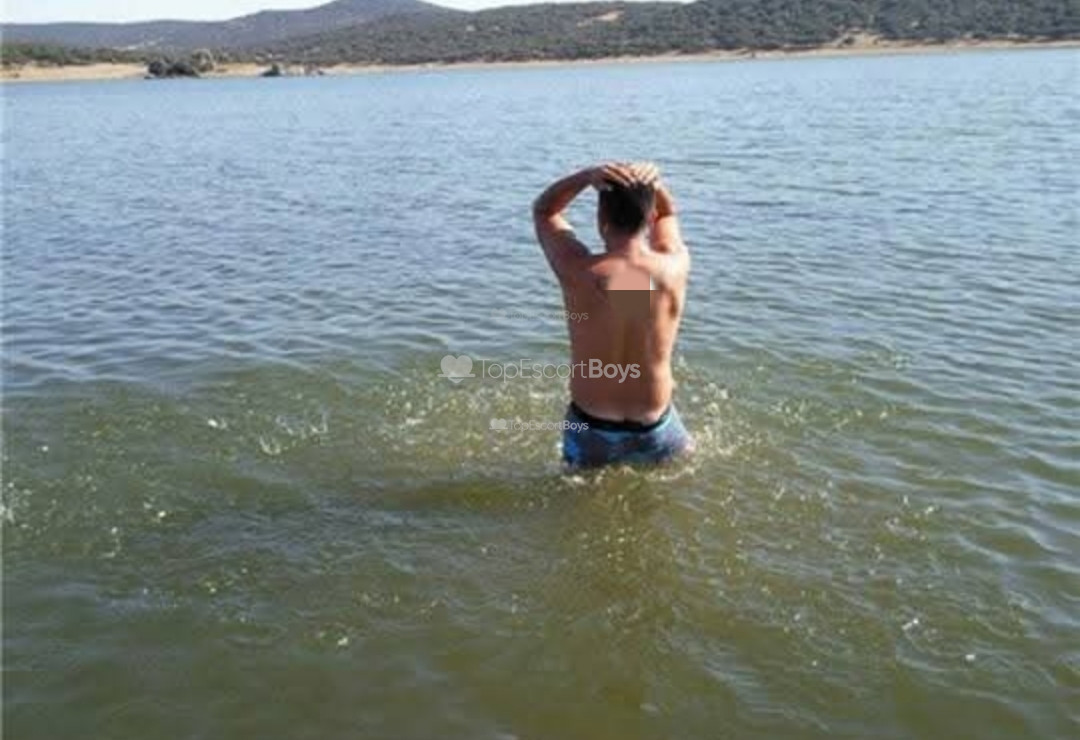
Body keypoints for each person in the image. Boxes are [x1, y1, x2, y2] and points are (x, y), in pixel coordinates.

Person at [533, 162, 694, 468]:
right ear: (650, 216)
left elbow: (544, 211)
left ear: (601, 219)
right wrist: (652, 184)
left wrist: (587, 176)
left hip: (592, 428)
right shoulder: (674, 267)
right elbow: (669, 214)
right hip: (656, 425)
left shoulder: (578, 270)